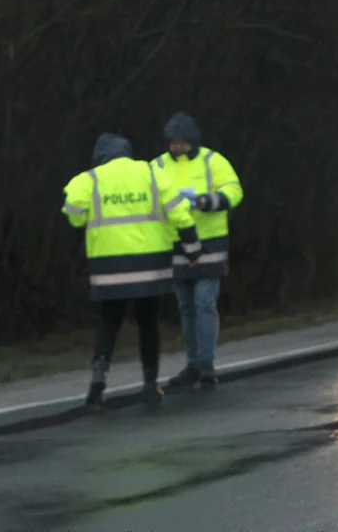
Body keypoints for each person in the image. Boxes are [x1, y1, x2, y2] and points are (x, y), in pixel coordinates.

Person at [61, 133, 203, 411]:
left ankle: (97, 387)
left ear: (100, 156)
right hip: (150, 265)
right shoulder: (153, 174)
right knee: (148, 323)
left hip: (109, 266)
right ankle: (150, 384)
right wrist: (193, 248)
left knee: (109, 323)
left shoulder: (88, 179)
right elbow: (179, 213)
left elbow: (74, 215)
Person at [153, 112, 244, 390]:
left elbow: (234, 191)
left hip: (210, 243)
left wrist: (207, 201)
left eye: (181, 142)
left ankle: (205, 363)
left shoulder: (212, 161)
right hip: (176, 243)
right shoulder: (157, 165)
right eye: (172, 142)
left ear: (192, 141)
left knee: (204, 303)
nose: (175, 147)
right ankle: (193, 364)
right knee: (186, 308)